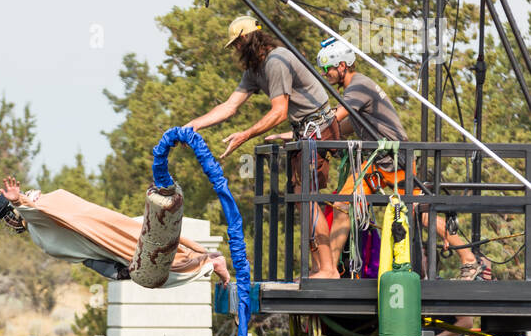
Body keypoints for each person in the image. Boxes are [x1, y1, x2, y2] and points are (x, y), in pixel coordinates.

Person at [316, 38, 490, 283]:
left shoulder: (357, 87)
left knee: (421, 213)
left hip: (395, 161)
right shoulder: (356, 87)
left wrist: (313, 129)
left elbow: (334, 119)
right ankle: (331, 269)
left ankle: (469, 258)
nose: (326, 74)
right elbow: (343, 126)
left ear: (342, 65)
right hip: (375, 163)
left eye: (328, 69)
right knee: (344, 204)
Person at [185, 16, 342, 278]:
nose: (235, 50)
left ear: (248, 39)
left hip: (319, 129)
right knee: (303, 199)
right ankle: (321, 267)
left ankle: (328, 269)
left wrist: (245, 135)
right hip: (304, 132)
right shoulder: (255, 70)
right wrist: (196, 124)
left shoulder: (276, 61)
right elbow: (230, 106)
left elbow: (279, 112)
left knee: (308, 198)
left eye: (237, 43)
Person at [0, 177, 230, 287]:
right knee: (145, 264)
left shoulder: (36, 219)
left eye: (9, 219)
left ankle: (211, 262)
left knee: (155, 273)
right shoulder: (37, 217)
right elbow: (3, 202)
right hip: (99, 252)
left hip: (102, 243)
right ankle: (208, 260)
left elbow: (28, 209)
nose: (10, 225)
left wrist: (17, 202)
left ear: (15, 215)